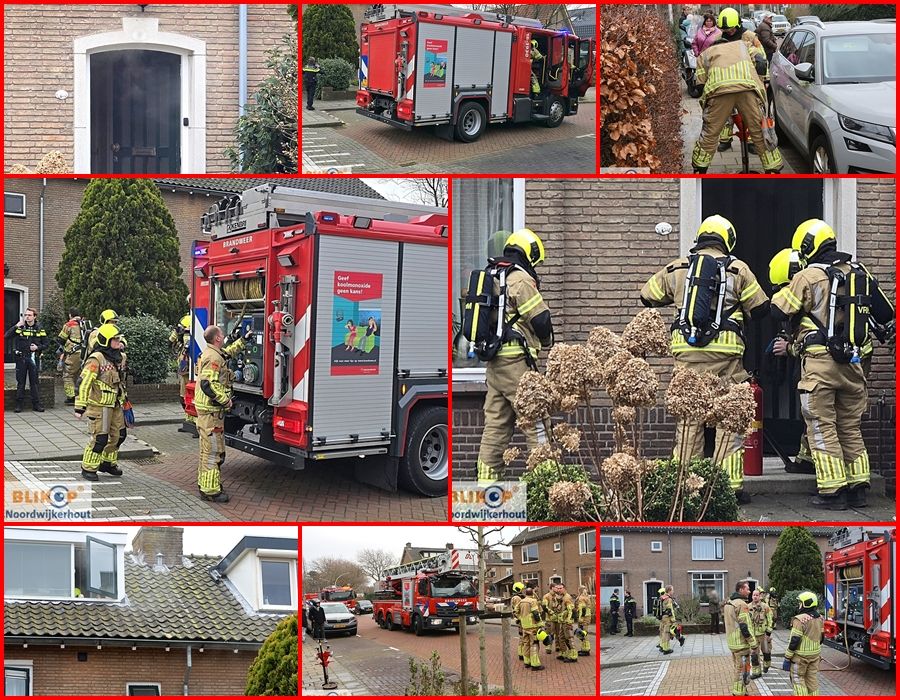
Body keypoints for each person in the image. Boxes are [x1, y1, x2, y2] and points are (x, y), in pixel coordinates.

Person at [640, 215, 769, 503]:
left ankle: (686, 489)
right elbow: (761, 309)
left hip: (686, 361)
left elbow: (647, 296)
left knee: (688, 424)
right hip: (727, 363)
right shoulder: (738, 269)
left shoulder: (676, 268)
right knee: (728, 422)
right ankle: (728, 490)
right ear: (728, 240)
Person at [771, 220, 895, 509]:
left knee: (821, 426)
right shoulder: (860, 273)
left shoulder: (808, 275)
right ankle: (858, 489)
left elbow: (779, 308)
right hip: (854, 365)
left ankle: (832, 492)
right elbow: (886, 314)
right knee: (850, 427)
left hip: (820, 366)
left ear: (805, 247)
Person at [476, 229, 554, 484]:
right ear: (529, 253)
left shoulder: (492, 274)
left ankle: (487, 492)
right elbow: (541, 319)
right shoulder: (519, 278)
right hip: (517, 365)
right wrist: (546, 343)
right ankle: (547, 489)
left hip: (495, 365)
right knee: (537, 424)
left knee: (495, 429)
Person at [691, 8, 783, 174]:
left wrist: (705, 95)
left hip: (719, 92)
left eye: (731, 29)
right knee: (760, 131)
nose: (728, 32)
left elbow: (700, 80)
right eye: (725, 30)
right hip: (747, 89)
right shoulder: (745, 45)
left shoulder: (718, 47)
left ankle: (699, 170)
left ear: (738, 25)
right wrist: (761, 85)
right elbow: (761, 61)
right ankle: (773, 169)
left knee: (710, 133)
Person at [194, 323, 254, 503]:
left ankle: (205, 484)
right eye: (222, 333)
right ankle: (211, 491)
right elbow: (207, 384)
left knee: (207, 451)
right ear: (218, 338)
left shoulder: (212, 352)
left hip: (209, 412)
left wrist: (244, 341)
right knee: (214, 452)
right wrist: (225, 400)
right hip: (212, 413)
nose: (224, 335)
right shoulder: (214, 358)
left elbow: (227, 353)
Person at [75, 323, 127, 481]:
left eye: (119, 339)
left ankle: (108, 463)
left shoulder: (120, 357)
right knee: (100, 439)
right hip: (100, 405)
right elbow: (84, 383)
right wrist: (80, 406)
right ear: (105, 341)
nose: (119, 343)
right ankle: (88, 467)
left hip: (116, 404)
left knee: (120, 436)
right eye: (115, 340)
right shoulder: (96, 359)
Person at [6, 307, 48, 413]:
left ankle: (36, 404)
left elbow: (46, 344)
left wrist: (37, 348)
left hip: (33, 358)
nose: (27, 317)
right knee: (21, 382)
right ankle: (19, 405)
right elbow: (6, 336)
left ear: (35, 316)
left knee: (34, 382)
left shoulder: (39, 328)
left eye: (29, 315)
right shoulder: (20, 327)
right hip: (21, 358)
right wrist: (16, 326)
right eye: (26, 315)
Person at [783, 591, 823, 696]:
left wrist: (787, 657)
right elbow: (822, 638)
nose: (799, 605)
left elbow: (794, 640)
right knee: (812, 680)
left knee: (798, 679)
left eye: (800, 602)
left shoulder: (800, 620)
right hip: (815, 656)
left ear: (806, 603)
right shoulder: (820, 618)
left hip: (800, 657)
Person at [724, 580, 757, 695]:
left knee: (739, 667)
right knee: (742, 670)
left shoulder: (729, 603)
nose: (749, 591)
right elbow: (744, 626)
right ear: (741, 589)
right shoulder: (742, 605)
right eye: (747, 589)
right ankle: (738, 693)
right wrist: (753, 643)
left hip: (733, 643)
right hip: (741, 644)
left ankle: (742, 690)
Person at [169, 314, 195, 430]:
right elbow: (170, 341)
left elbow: (186, 347)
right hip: (183, 366)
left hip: (188, 367)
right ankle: (188, 419)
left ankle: (193, 421)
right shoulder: (182, 339)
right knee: (183, 395)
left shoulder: (190, 340)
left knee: (189, 395)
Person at [57, 307, 86, 405]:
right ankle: (83, 396)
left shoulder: (69, 325)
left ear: (70, 315)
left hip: (74, 354)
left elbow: (61, 339)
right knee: (82, 375)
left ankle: (71, 397)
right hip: (86, 354)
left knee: (68, 375)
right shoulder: (85, 324)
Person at [547, 583, 577, 662]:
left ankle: (573, 655)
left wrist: (569, 620)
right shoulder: (561, 598)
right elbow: (559, 609)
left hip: (566, 622)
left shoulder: (567, 598)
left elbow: (571, 610)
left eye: (560, 588)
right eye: (558, 588)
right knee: (561, 638)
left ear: (564, 588)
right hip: (562, 621)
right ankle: (564, 653)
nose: (559, 590)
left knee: (569, 638)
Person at [518, 587, 545, 671]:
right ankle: (535, 664)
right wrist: (540, 624)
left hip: (524, 626)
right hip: (532, 626)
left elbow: (515, 611)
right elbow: (536, 613)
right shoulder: (533, 601)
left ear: (526, 593)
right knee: (534, 644)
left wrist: (521, 619)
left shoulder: (521, 601)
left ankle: (527, 662)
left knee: (526, 643)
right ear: (532, 594)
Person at [748, 588, 774, 676]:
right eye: (753, 595)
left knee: (766, 652)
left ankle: (767, 665)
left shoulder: (765, 607)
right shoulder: (747, 607)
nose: (755, 597)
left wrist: (768, 633)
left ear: (760, 596)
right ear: (752, 596)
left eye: (757, 595)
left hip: (763, 635)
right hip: (753, 635)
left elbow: (771, 619)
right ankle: (756, 672)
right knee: (754, 654)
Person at [655, 585, 677, 654]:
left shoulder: (662, 597)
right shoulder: (669, 599)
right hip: (667, 618)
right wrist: (673, 619)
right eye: (672, 590)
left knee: (662, 632)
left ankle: (661, 646)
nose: (673, 591)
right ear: (669, 591)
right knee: (667, 633)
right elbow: (670, 610)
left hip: (662, 618)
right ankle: (666, 649)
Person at [511, 581, 526, 660]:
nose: (523, 590)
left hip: (520, 619)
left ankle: (521, 653)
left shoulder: (517, 597)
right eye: (522, 589)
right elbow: (517, 610)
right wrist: (521, 619)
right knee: (522, 637)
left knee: (522, 637)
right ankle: (521, 653)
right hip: (521, 620)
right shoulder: (517, 598)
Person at [575, 586, 592, 655]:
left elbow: (582, 609)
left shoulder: (581, 598)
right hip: (587, 616)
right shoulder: (586, 597)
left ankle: (586, 649)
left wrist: (580, 618)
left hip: (584, 617)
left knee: (583, 633)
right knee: (583, 632)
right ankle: (584, 648)